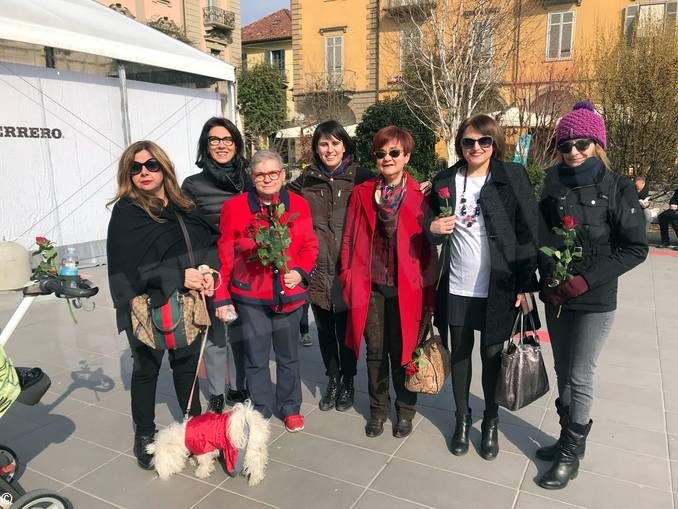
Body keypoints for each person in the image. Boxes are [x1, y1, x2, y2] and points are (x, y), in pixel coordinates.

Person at [537, 101, 648, 489]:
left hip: (594, 298)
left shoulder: (616, 186)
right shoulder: (552, 180)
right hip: (557, 297)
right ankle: (570, 438)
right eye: (565, 145)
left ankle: (570, 455)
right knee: (563, 371)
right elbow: (542, 233)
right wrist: (544, 276)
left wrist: (585, 280)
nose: (573, 152)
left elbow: (635, 247)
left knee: (581, 375)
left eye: (581, 143)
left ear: (596, 144)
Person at [427, 114, 538, 460]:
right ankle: (463, 418)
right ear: (460, 145)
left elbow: (528, 231)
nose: (476, 147)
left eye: (484, 141)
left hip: (498, 287)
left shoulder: (511, 177)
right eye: (469, 141)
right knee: (459, 354)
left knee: (492, 358)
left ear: (494, 144)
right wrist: (432, 227)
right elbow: (425, 222)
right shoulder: (445, 180)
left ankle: (491, 421)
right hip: (457, 285)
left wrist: (524, 283)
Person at [106, 140, 219, 469]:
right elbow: (125, 268)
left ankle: (193, 429)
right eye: (135, 167)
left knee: (186, 368)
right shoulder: (128, 210)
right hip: (145, 304)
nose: (144, 172)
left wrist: (209, 272)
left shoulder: (184, 204)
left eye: (151, 165)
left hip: (185, 303)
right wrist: (177, 274)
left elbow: (208, 243)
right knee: (146, 370)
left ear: (164, 167)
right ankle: (144, 434)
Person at [339, 126, 435, 439]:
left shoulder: (421, 196)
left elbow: (429, 249)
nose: (387, 158)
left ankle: (405, 412)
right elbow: (349, 237)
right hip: (371, 287)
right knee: (376, 352)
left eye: (394, 152)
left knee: (405, 350)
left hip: (408, 289)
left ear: (406, 156)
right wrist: (346, 273)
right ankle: (378, 410)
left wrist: (428, 291)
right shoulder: (363, 192)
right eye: (381, 153)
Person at [214, 151, 318, 432]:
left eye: (273, 173)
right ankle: (260, 407)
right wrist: (221, 297)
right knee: (256, 358)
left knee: (288, 357)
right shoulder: (235, 208)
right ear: (252, 177)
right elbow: (224, 256)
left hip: (289, 295)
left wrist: (301, 272)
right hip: (251, 298)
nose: (267, 179)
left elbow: (309, 245)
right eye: (260, 174)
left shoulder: (297, 205)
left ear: (283, 175)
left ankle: (290, 406)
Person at [288, 120, 373, 412]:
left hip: (351, 269)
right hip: (317, 270)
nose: (330, 149)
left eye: (336, 143)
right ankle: (333, 379)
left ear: (345, 145)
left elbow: (392, 191)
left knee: (347, 331)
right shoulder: (304, 183)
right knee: (325, 330)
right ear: (316, 148)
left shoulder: (362, 178)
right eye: (324, 144)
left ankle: (349, 380)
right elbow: (274, 197)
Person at [182, 117, 249, 413]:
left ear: (236, 144)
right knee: (217, 336)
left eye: (227, 139)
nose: (221, 145)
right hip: (214, 268)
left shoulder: (250, 178)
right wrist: (199, 267)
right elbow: (187, 230)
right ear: (206, 145)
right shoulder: (193, 185)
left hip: (249, 268)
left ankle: (239, 386)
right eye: (214, 140)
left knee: (244, 333)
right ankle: (217, 392)